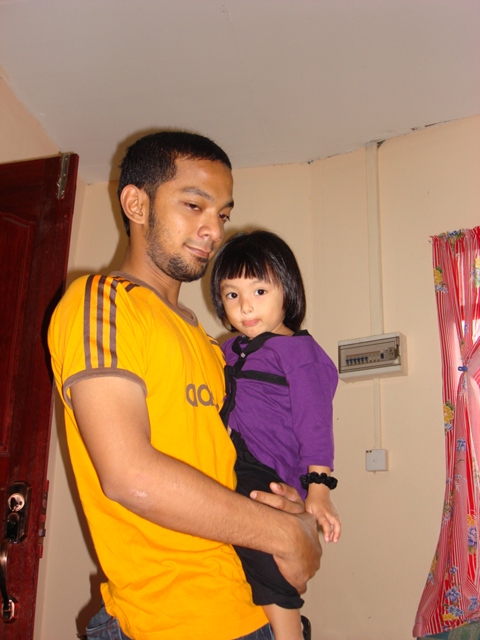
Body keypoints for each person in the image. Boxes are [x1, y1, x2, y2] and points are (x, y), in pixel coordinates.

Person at [48, 131, 322, 640]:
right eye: (194, 205)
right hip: (170, 623)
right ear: (137, 204)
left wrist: (288, 503)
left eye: (222, 214)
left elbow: (231, 465)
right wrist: (284, 533)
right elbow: (130, 475)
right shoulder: (103, 301)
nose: (213, 230)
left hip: (254, 610)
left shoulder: (209, 344)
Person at [210, 230, 341, 640]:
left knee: (258, 546)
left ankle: (290, 632)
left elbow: (315, 422)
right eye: (232, 294)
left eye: (260, 291)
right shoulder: (229, 349)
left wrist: (318, 488)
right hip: (231, 457)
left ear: (288, 290)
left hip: (267, 468)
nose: (245, 305)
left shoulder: (300, 353)